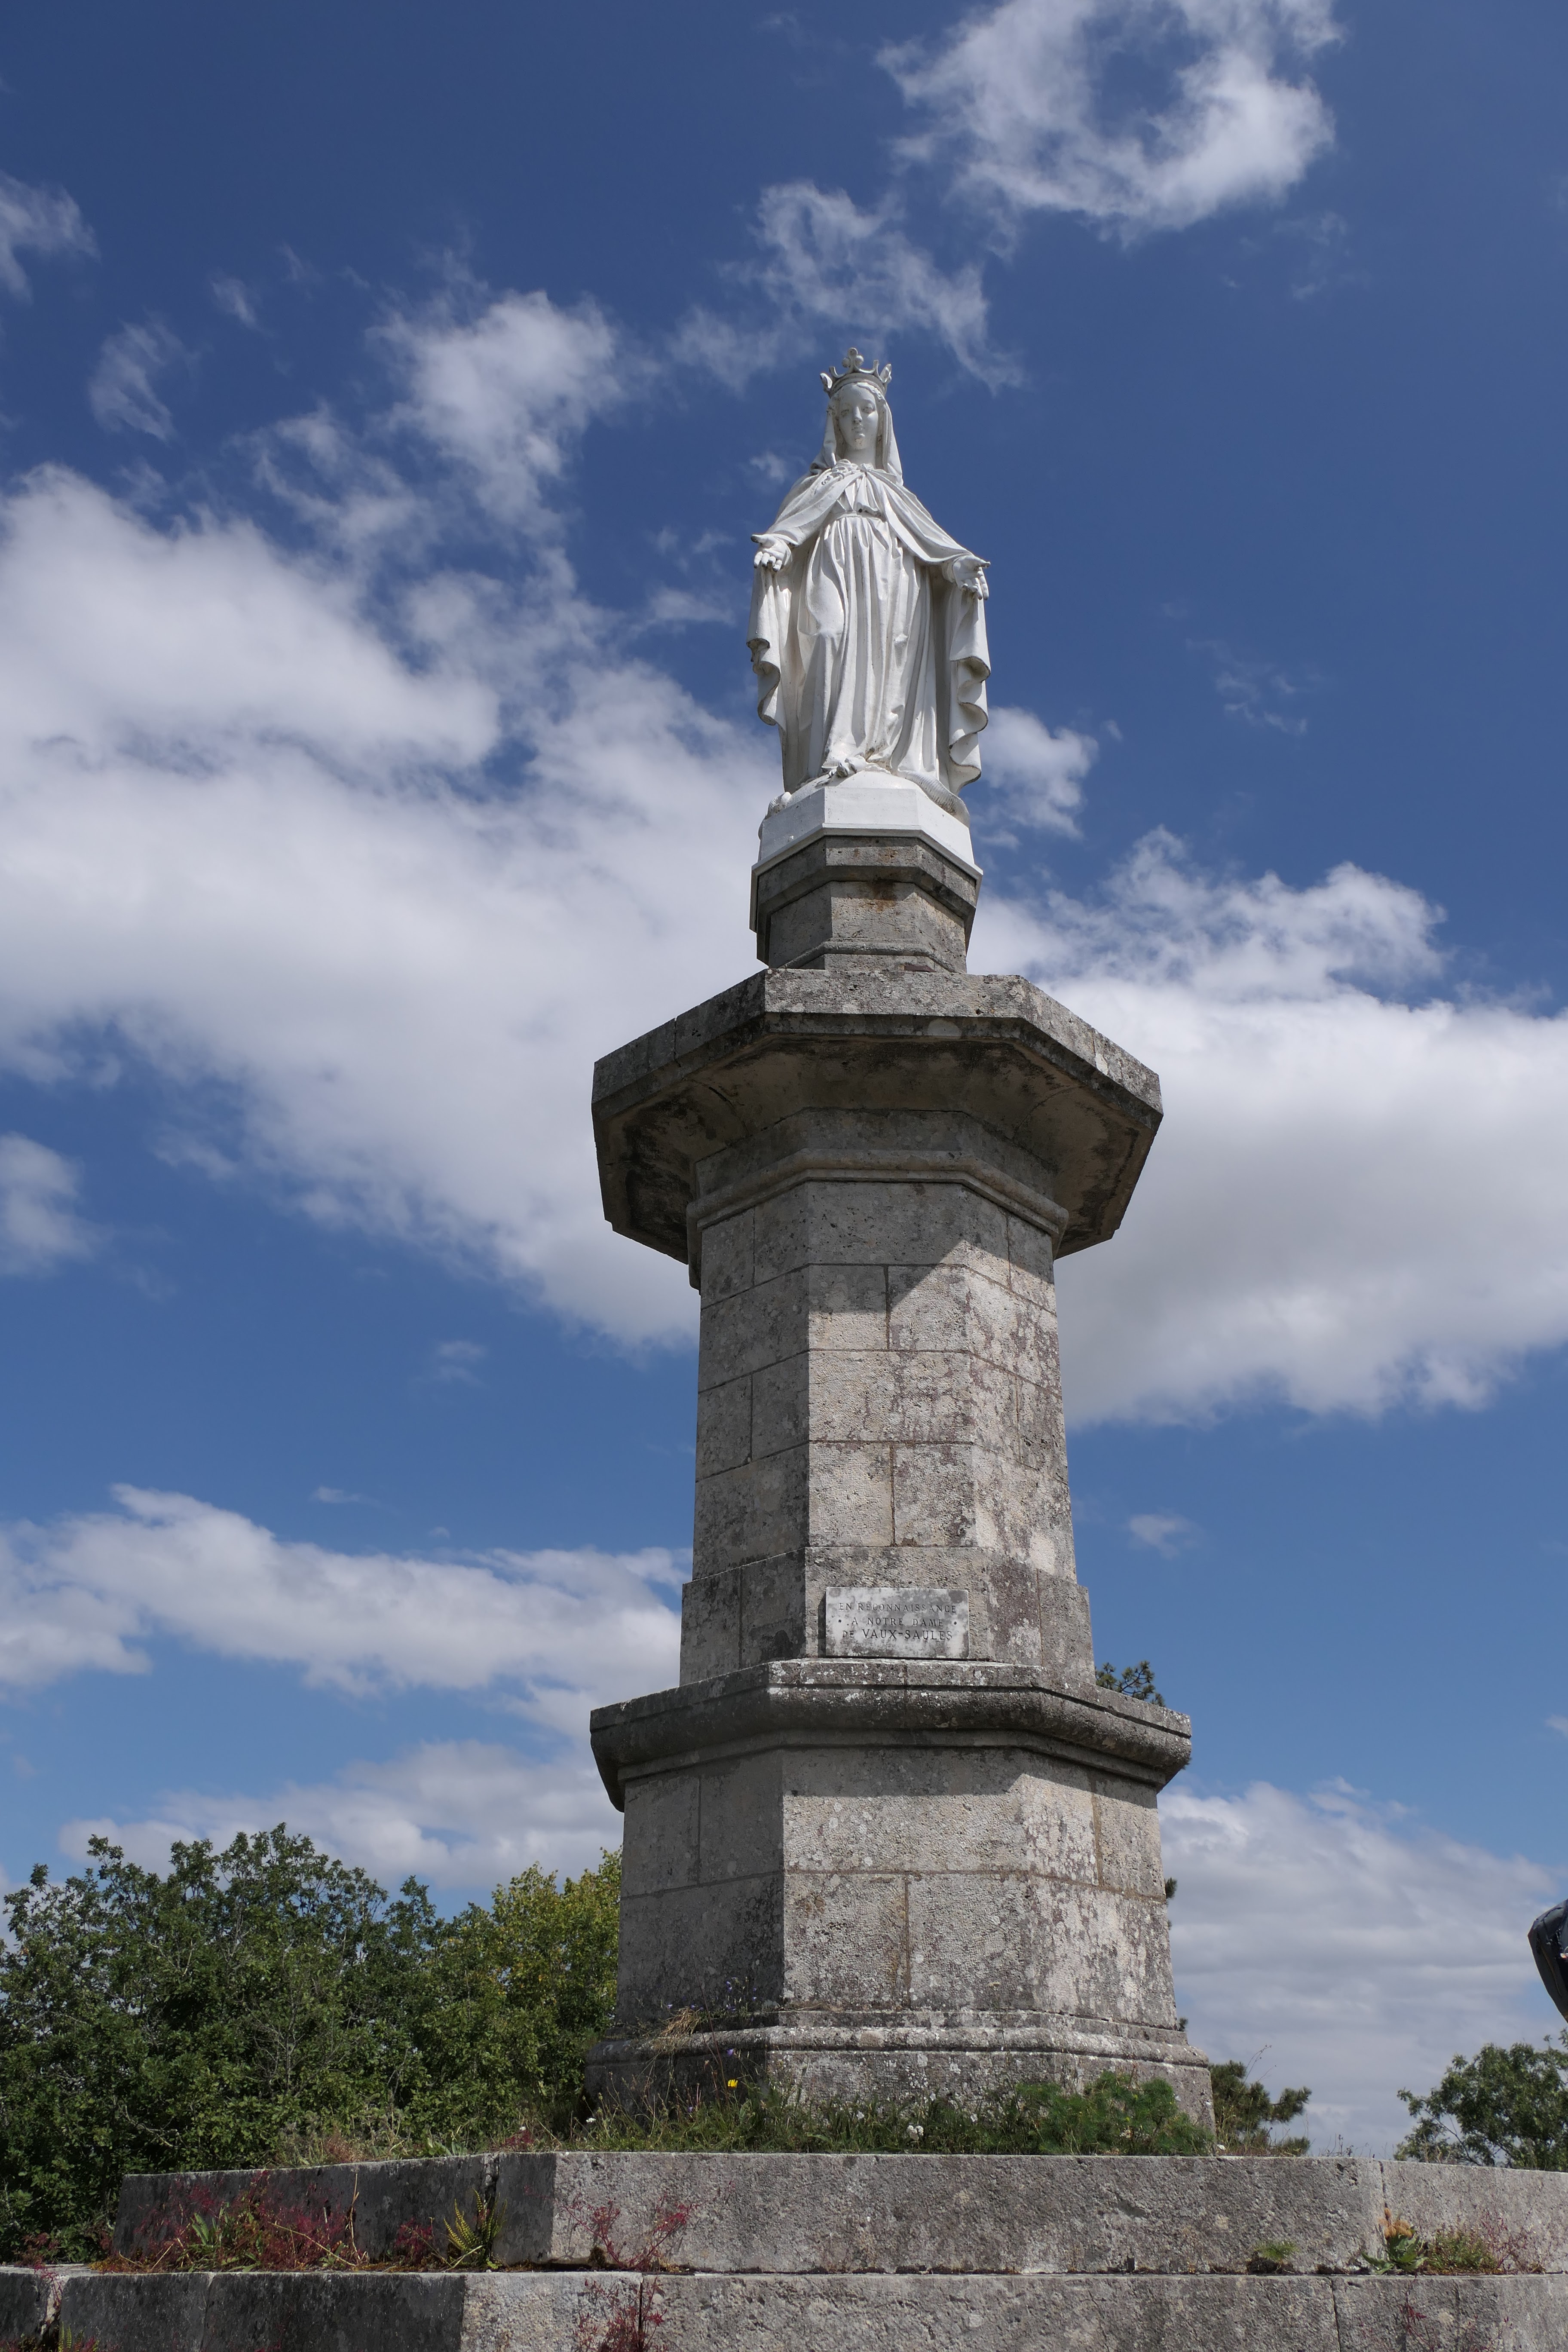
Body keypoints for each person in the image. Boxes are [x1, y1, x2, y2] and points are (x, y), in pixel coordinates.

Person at [747, 350, 990, 820]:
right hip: (833, 566)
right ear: (835, 423)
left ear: (883, 421)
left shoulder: (898, 494)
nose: (857, 419)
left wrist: (959, 569)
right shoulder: (817, 485)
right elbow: (792, 528)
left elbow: (934, 547)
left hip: (895, 579)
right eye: (847, 413)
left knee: (891, 657)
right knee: (827, 637)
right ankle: (829, 753)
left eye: (867, 410)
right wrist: (779, 546)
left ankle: (888, 758)